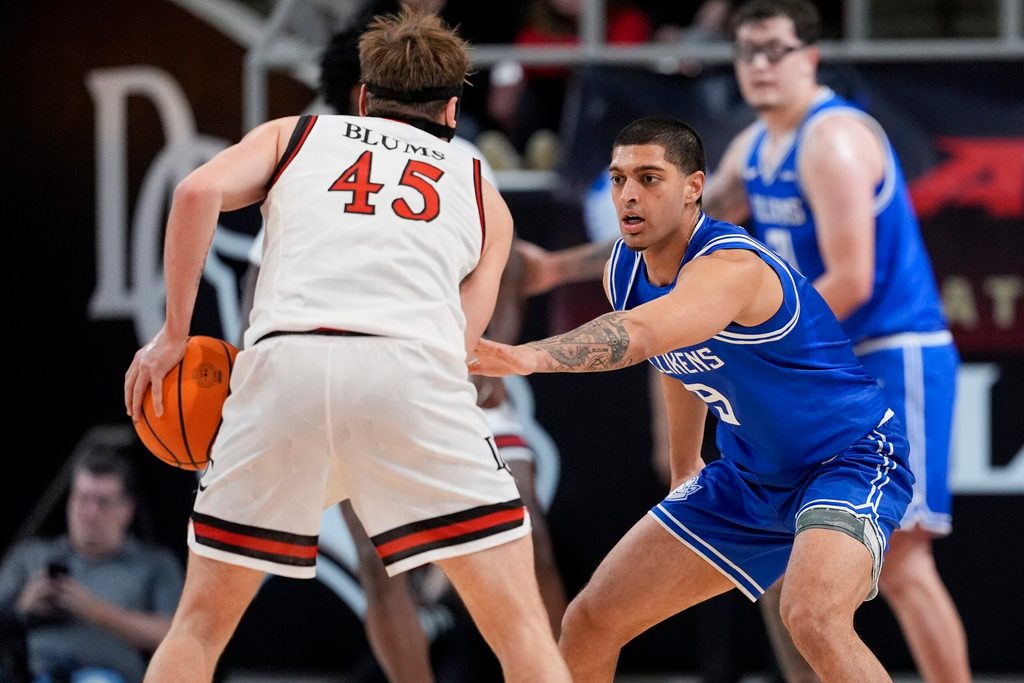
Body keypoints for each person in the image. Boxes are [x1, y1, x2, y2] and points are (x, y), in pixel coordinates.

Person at [124, 9, 571, 682]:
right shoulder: (482, 189)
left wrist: (174, 334)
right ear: (453, 110)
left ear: (362, 97)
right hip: (408, 373)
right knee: (521, 631)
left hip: (285, 369)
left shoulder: (296, 135)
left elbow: (195, 191)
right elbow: (463, 344)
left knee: (199, 628)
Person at [470, 115, 915, 681]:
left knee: (812, 616)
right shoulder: (626, 269)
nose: (629, 194)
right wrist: (685, 464)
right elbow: (675, 359)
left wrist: (528, 356)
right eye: (618, 178)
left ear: (693, 186)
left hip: (848, 459)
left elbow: (648, 334)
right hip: (750, 476)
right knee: (590, 621)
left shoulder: (732, 267)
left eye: (649, 178)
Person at [700, 2, 969, 681]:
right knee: (783, 552)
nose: (759, 65)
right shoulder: (754, 145)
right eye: (747, 51)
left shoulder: (834, 138)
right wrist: (567, 265)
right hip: (828, 364)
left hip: (891, 351)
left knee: (904, 558)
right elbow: (683, 228)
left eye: (774, 49)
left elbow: (851, 278)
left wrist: (756, 344)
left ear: (810, 56)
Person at [0, 447, 184, 683]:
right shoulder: (31, 555)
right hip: (30, 672)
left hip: (106, 675)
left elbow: (176, 636)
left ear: (126, 510)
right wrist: (23, 607)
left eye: (103, 502)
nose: (90, 512)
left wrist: (95, 611)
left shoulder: (155, 564)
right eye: (82, 499)